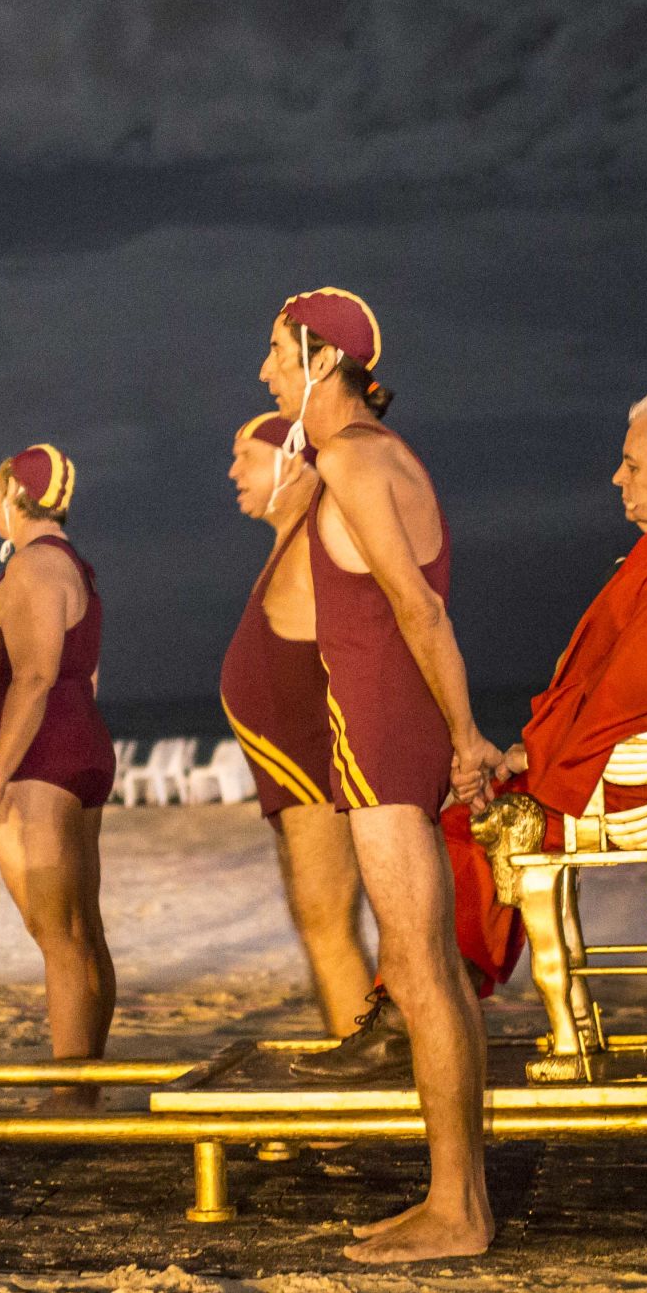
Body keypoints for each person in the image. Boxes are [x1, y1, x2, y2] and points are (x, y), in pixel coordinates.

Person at [305, 386, 647, 1076]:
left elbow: (636, 691)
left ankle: (416, 1011)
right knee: (474, 817)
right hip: (638, 761)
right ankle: (416, 1009)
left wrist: (537, 756)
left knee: (474, 828)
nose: (618, 478)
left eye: (631, 465)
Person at [260, 286, 499, 1263]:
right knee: (421, 968)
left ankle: (458, 1211)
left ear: (321, 363)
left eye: (276, 353)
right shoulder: (364, 458)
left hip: (386, 730)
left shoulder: (357, 457)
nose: (265, 371)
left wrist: (468, 735)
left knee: (418, 971)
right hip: (385, 724)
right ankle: (455, 1197)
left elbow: (417, 610)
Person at [0, 444, 117, 1106]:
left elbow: (31, 677)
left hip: (41, 757)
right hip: (83, 743)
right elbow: (84, 673)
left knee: (57, 935)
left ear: (13, 498)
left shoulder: (30, 567)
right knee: (85, 926)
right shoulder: (78, 569)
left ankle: (70, 1089)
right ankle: (89, 1073)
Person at [219, 413, 374, 1037]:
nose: (233, 472)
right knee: (316, 923)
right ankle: (355, 1050)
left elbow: (368, 654)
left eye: (245, 456)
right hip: (297, 776)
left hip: (319, 771)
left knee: (330, 925)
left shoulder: (319, 544)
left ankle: (367, 1069)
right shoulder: (293, 542)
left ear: (293, 459)